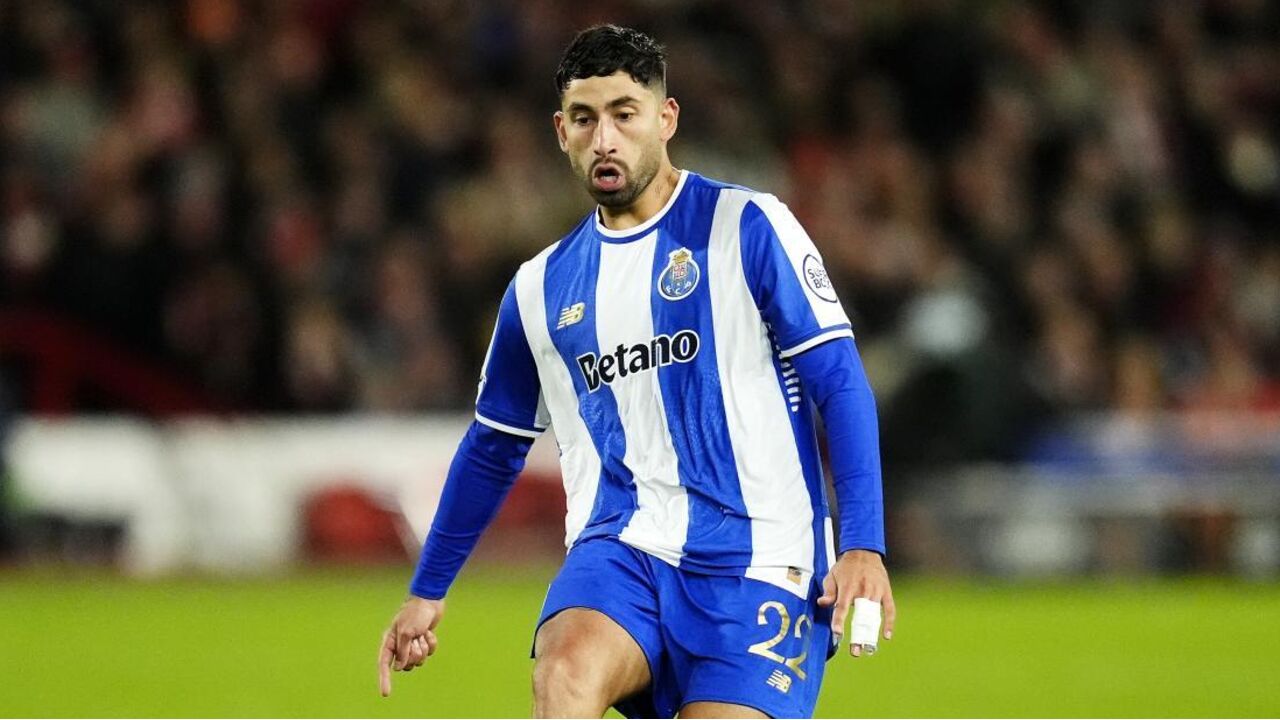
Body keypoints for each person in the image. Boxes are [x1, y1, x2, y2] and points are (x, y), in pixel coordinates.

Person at [378, 24, 894, 719]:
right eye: (584, 119)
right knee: (564, 672)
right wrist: (427, 590)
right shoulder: (539, 289)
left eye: (625, 114)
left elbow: (839, 380)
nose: (605, 139)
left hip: (763, 564)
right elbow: (494, 445)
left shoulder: (746, 226)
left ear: (665, 118)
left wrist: (863, 544)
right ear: (561, 131)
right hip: (621, 553)